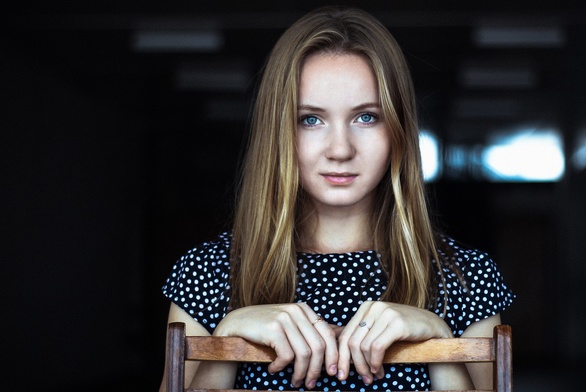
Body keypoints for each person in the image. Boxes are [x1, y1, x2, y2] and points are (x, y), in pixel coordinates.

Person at [158, 6, 514, 391]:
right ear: (279, 131)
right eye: (310, 119)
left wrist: (439, 343)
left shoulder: (465, 277)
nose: (340, 149)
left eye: (366, 117)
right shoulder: (207, 273)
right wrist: (227, 340)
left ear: (398, 127)